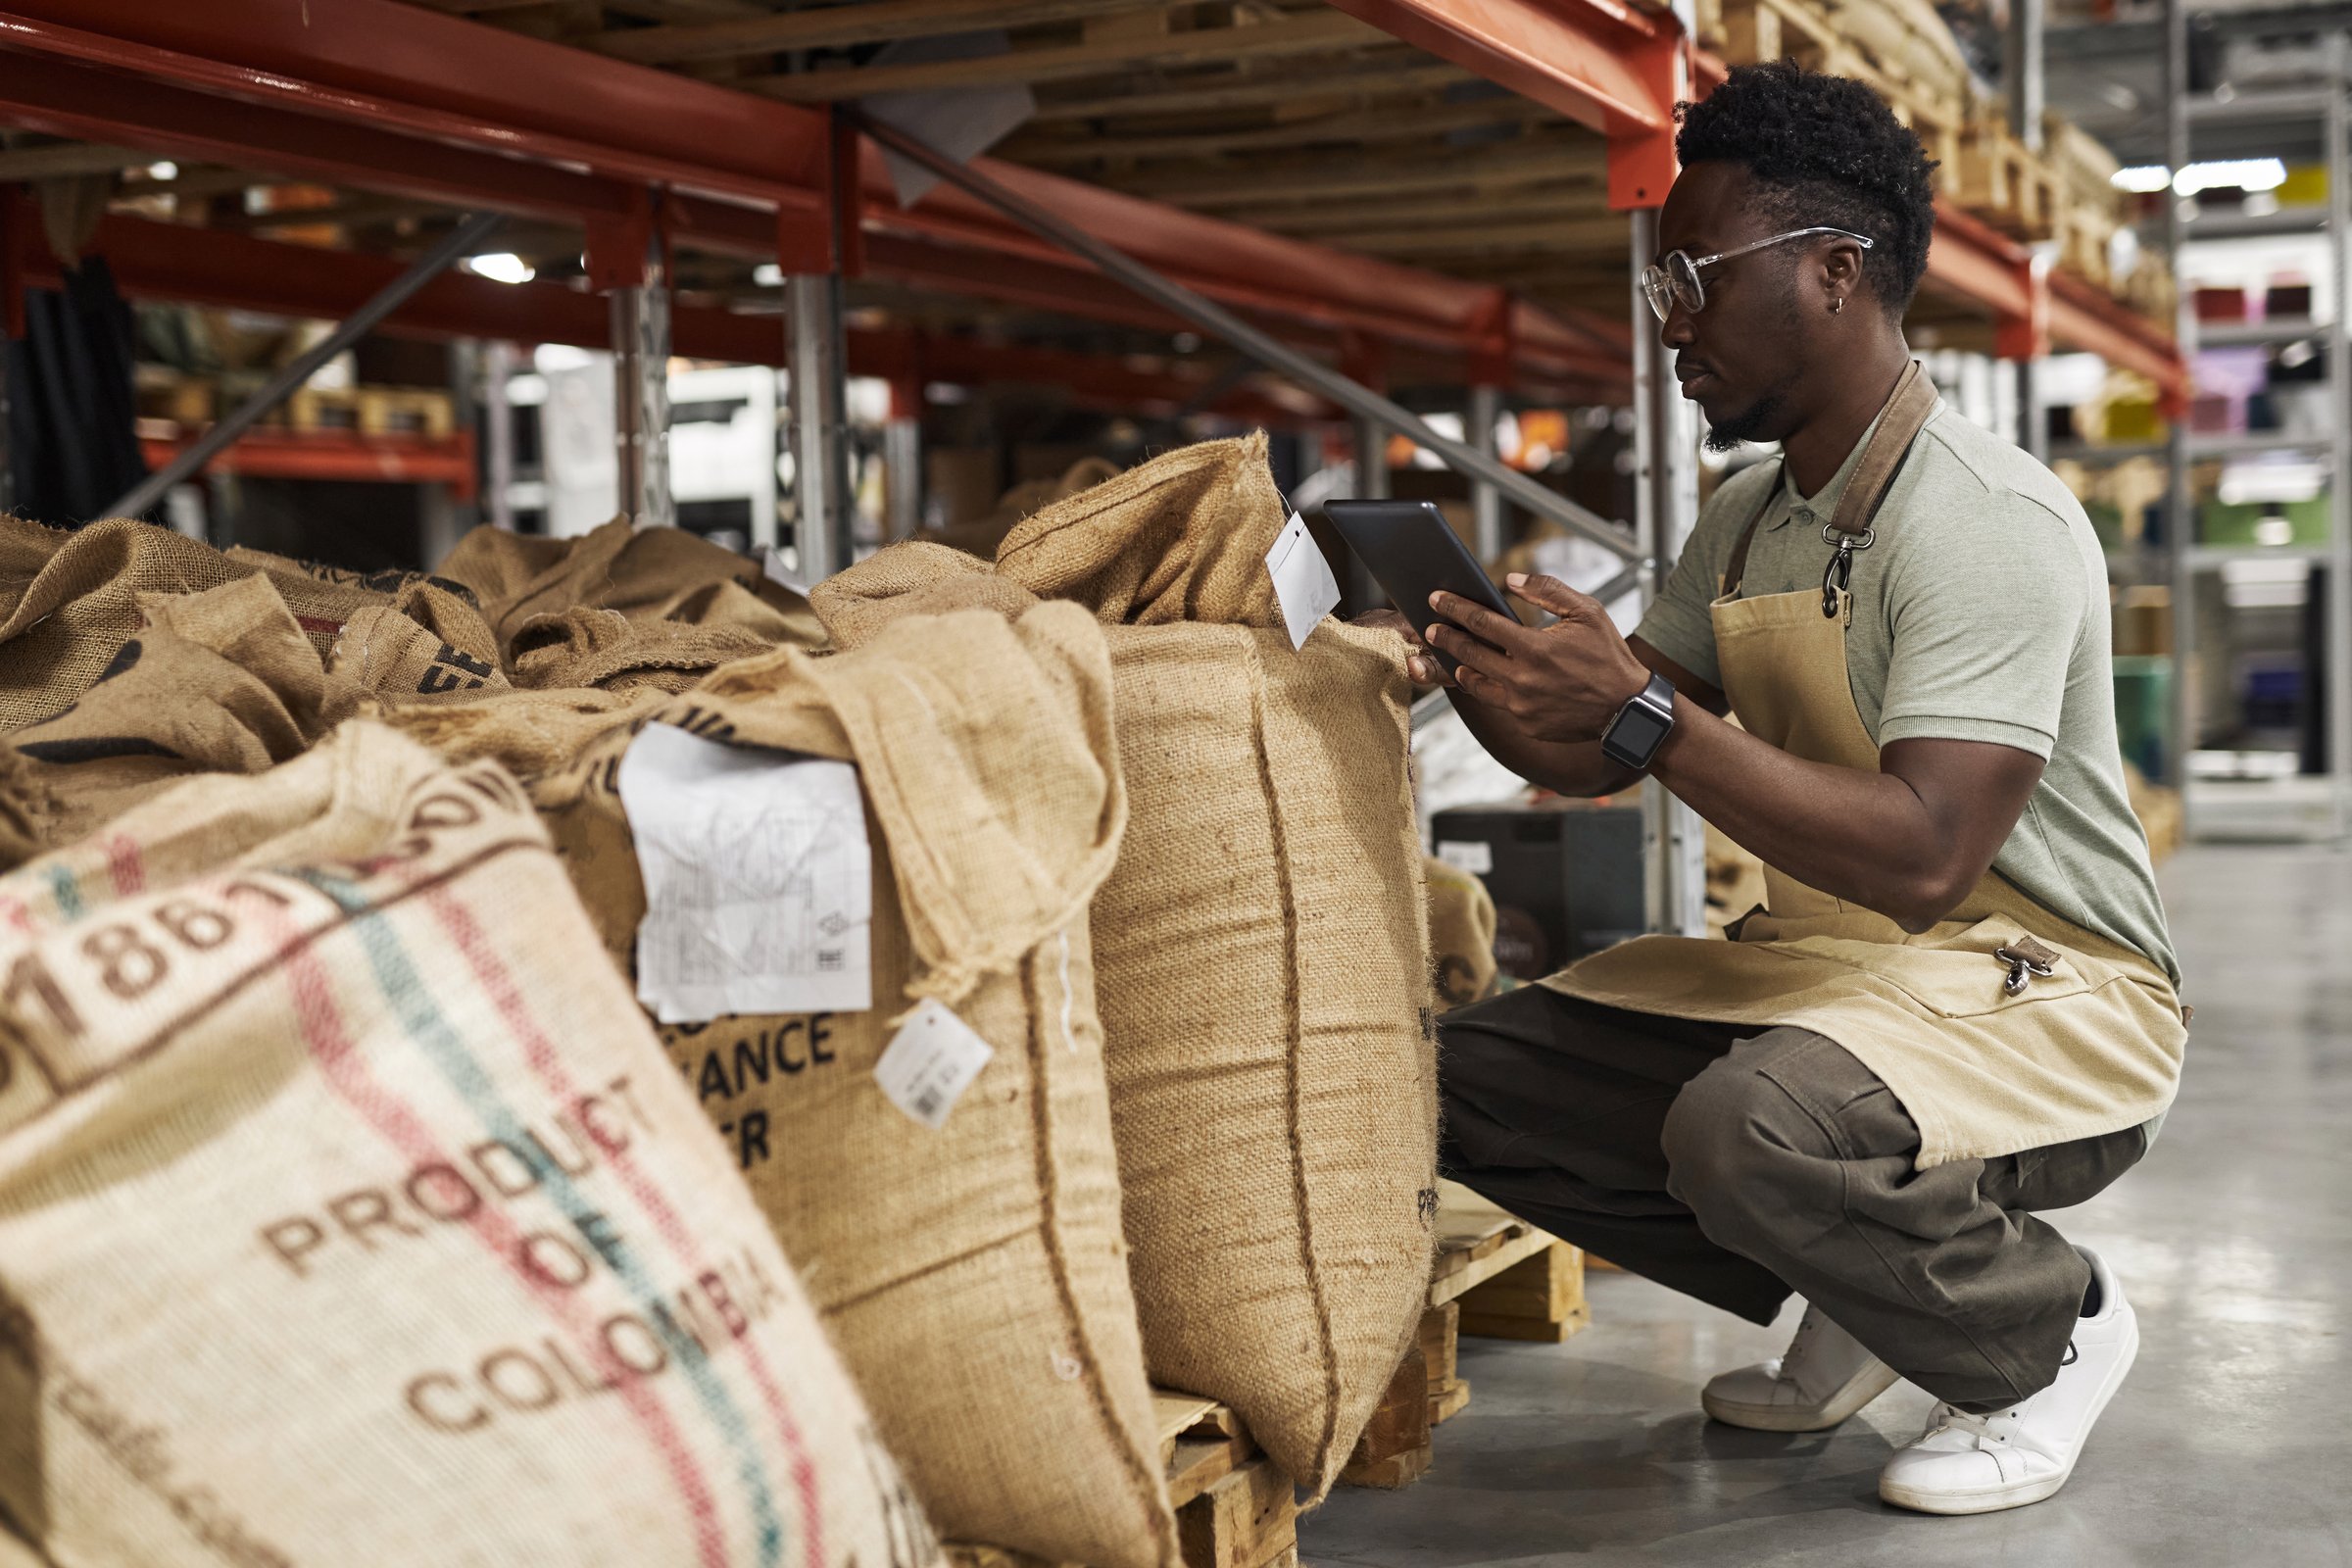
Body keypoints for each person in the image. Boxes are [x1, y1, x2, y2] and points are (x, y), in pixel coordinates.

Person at [1375, 61, 2186, 1516]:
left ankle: (2046, 1327)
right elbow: (1603, 748)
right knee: (1451, 1081)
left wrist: (1641, 715)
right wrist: (1486, 669)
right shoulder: (1751, 516)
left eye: (1693, 273)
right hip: (1840, 981)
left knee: (1747, 1126)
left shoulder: (1985, 522)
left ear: (1834, 271)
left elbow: (1933, 854)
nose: (1668, 317)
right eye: (1660, 282)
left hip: (2048, 990)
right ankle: (1877, 1294)